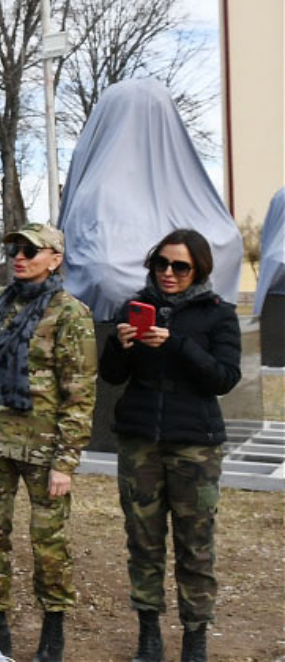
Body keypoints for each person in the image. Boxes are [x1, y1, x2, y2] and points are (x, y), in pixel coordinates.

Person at [0, 223, 96, 662]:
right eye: (15, 248)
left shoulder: (71, 314)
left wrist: (65, 461)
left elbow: (80, 393)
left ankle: (53, 626)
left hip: (43, 449)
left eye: (31, 249)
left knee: (48, 541)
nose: (20, 255)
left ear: (54, 258)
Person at [100, 229, 242, 662]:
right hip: (140, 442)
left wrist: (176, 343)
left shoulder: (218, 315)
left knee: (195, 546)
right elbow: (111, 375)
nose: (167, 273)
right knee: (143, 543)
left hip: (195, 446)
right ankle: (149, 635)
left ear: (198, 268)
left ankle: (194, 638)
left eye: (179, 266)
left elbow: (223, 378)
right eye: (160, 263)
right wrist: (118, 344)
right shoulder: (133, 307)